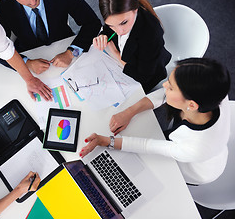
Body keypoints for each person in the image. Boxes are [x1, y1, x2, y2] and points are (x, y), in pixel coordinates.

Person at [80, 58, 231, 185]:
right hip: (206, 147)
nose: (164, 85)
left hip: (196, 168)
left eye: (170, 87)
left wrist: (105, 141)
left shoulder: (195, 147)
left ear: (191, 105)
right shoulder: (213, 93)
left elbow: (148, 146)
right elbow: (166, 95)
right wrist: (129, 112)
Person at [0, 0, 102, 74]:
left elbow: (92, 23)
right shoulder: (3, 6)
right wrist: (26, 63)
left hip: (64, 43)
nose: (32, 1)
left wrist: (71, 52)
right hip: (30, 52)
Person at [92, 0, 171, 93]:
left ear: (135, 10)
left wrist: (116, 54)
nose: (119, 32)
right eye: (111, 25)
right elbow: (106, 30)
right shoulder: (117, 16)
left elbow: (143, 77)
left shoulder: (151, 33)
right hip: (123, 65)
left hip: (146, 77)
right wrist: (102, 36)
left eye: (123, 23)